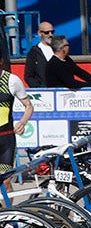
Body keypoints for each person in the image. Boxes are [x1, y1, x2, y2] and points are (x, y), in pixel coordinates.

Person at [0, 47, 34, 182]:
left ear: (1, 61)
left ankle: (8, 204)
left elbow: (29, 106)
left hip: (6, 139)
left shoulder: (12, 80)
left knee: (5, 181)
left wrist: (22, 122)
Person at [24, 21, 54, 88]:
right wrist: (39, 88)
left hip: (58, 91)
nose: (50, 35)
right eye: (47, 32)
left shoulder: (58, 49)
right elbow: (28, 76)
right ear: (40, 33)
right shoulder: (33, 53)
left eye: (52, 32)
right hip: (43, 92)